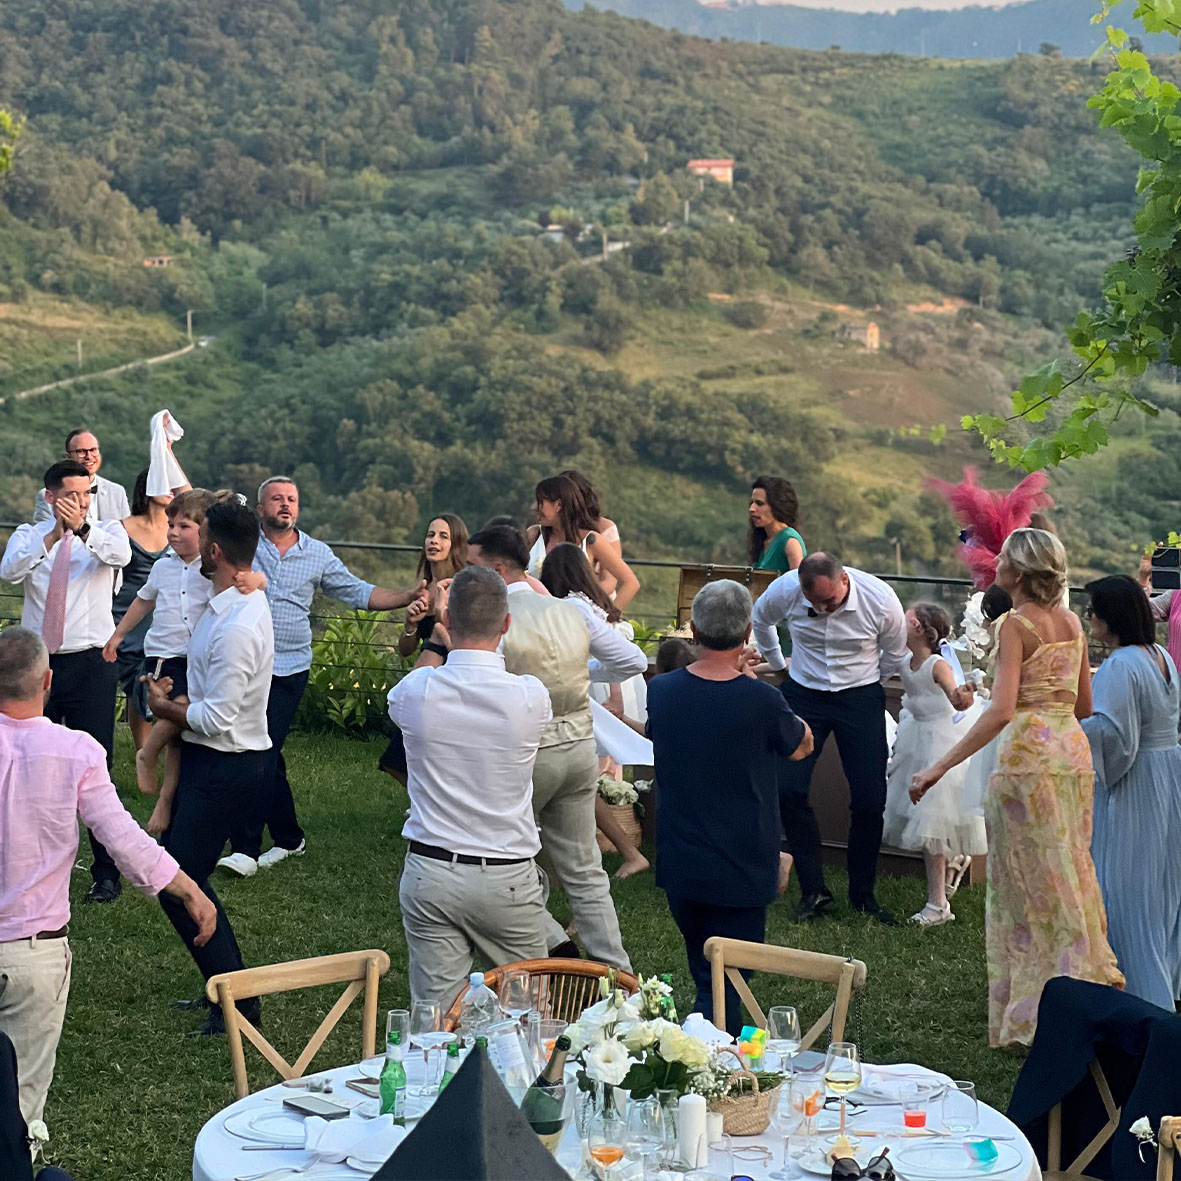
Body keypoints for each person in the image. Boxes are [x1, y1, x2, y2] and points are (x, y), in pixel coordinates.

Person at [911, 529, 1124, 1047]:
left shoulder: (1014, 624)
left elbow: (1003, 711)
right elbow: (1083, 706)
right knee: (1071, 872)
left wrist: (938, 767)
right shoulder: (1072, 623)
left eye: (1004, 557)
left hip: (1027, 761)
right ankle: (1085, 986)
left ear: (1021, 573)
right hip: (1071, 756)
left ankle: (1034, 1011)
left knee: (1026, 888)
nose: (996, 562)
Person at [0, 627, 216, 1131]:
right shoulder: (76, 751)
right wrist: (189, 889)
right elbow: (122, 839)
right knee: (22, 1103)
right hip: (35, 950)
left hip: (34, 948)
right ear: (47, 681)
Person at [218, 476, 426, 877]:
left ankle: (244, 848)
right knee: (263, 751)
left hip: (289, 668)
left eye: (291, 499)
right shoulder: (245, 545)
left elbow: (358, 592)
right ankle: (289, 838)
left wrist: (407, 596)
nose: (285, 505)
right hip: (243, 664)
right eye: (276, 499)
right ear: (260, 509)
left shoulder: (317, 554)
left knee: (261, 751)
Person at [467, 525, 648, 969]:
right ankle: (616, 972)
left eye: (472, 566)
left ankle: (551, 944)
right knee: (585, 868)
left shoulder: (495, 620)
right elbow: (632, 660)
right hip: (580, 748)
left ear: (496, 569)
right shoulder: (571, 609)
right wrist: (579, 670)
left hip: (526, 753)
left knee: (499, 858)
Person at [647, 581, 812, 1032]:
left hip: (682, 853)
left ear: (693, 629)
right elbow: (802, 745)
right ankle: (718, 1052)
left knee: (707, 970)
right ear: (747, 633)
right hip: (744, 857)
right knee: (728, 979)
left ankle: (704, 1042)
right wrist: (753, 684)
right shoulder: (762, 700)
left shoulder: (662, 691)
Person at [388, 566, 553, 1006]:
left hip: (432, 869)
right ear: (506, 623)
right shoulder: (531, 696)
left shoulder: (418, 691)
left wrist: (436, 642)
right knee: (529, 1015)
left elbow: (405, 690)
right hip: (507, 874)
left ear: (447, 620)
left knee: (436, 1017)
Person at [144, 497, 275, 1036]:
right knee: (180, 877)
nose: (193, 543)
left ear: (215, 551)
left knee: (179, 882)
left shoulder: (237, 625)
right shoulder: (228, 601)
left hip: (228, 764)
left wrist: (163, 708)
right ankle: (224, 991)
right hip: (209, 760)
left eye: (200, 536)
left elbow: (217, 719)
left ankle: (238, 1003)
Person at [750, 552, 909, 923]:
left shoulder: (880, 599)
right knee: (788, 789)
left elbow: (895, 652)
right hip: (804, 691)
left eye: (830, 602)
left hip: (861, 694)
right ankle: (813, 890)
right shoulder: (785, 589)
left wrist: (869, 684)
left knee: (869, 798)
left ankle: (863, 894)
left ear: (844, 581)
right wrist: (778, 664)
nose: (822, 609)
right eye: (814, 603)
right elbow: (761, 618)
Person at [1, 460, 132, 905]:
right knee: (27, 761)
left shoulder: (107, 531)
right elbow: (10, 571)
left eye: (86, 494)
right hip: (36, 665)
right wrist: (54, 536)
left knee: (97, 764)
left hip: (89, 662)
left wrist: (83, 530)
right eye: (71, 495)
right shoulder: (29, 534)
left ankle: (107, 872)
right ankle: (25, 861)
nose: (80, 503)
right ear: (50, 497)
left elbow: (121, 557)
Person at [1082, 575, 1181, 1010]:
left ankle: (1139, 995)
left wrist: (1068, 727)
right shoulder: (1161, 656)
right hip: (1168, 773)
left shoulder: (1120, 665)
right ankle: (1162, 981)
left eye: (1093, 611)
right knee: (1160, 885)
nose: (1089, 618)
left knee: (1123, 887)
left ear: (1111, 618)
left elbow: (1114, 736)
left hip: (1136, 780)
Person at [541, 542, 649, 879]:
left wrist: (582, 672)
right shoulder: (588, 603)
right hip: (582, 689)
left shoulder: (570, 607)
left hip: (573, 697)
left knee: (579, 777)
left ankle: (581, 857)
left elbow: (619, 654)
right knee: (583, 777)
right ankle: (622, 853)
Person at [882, 603, 983, 927]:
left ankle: (938, 904)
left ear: (921, 628)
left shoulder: (937, 665)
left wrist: (965, 694)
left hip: (941, 743)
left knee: (933, 822)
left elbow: (956, 699)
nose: (901, 622)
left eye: (907, 619)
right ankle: (945, 882)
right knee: (925, 821)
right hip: (916, 739)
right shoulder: (904, 661)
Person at [109, 469, 171, 753]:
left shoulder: (179, 528)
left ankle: (150, 753)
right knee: (131, 682)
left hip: (164, 614)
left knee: (150, 683)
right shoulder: (121, 527)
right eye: (164, 483)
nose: (170, 490)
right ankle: (140, 752)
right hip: (125, 612)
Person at [526, 474, 640, 609]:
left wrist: (610, 617)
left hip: (578, 618)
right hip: (537, 615)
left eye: (541, 502)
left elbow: (630, 583)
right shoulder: (534, 535)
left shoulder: (591, 540)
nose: (535, 508)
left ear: (558, 505)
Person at [397, 514, 469, 659]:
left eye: (443, 536)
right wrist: (411, 625)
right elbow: (405, 651)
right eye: (430, 535)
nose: (434, 541)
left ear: (456, 544)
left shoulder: (464, 587)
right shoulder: (423, 589)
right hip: (429, 666)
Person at [33, 430, 130, 525]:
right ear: (68, 457)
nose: (89, 456)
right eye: (81, 451)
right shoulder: (51, 495)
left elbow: (127, 531)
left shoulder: (117, 492)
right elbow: (42, 532)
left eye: (93, 450)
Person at [559, 470, 624, 597]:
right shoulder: (549, 530)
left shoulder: (605, 528)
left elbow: (609, 582)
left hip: (595, 599)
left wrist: (581, 600)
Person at [748, 476, 806, 573]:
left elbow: (796, 580)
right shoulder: (764, 540)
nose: (752, 509)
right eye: (752, 503)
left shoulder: (789, 541)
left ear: (776, 505)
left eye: (759, 503)